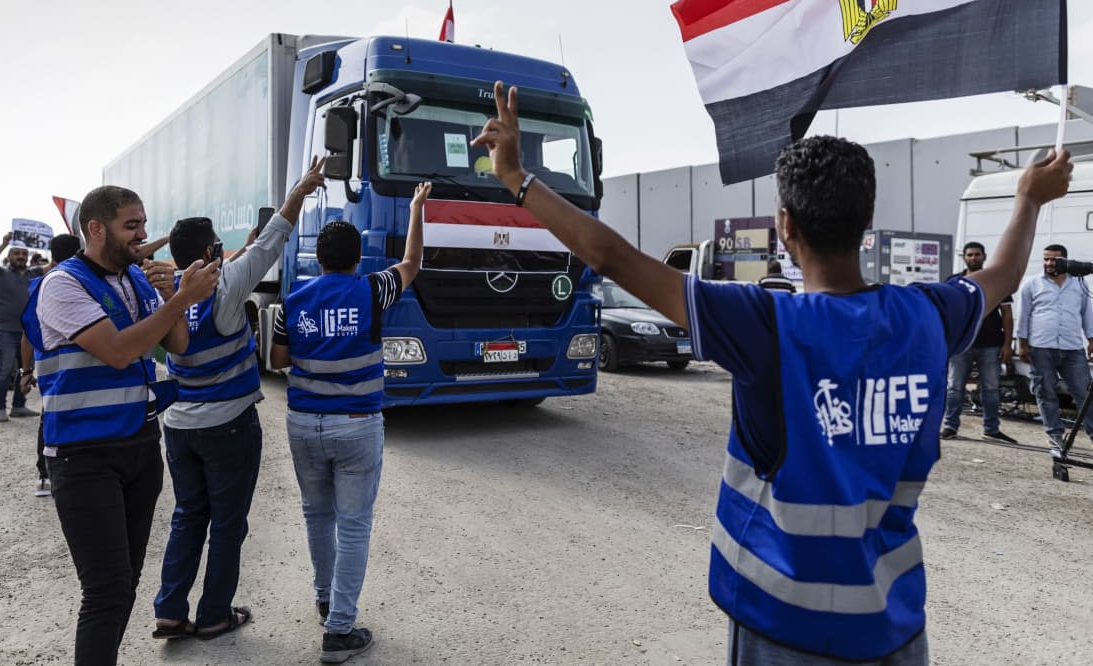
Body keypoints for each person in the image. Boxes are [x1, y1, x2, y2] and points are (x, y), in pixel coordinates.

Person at [470, 81, 1070, 665]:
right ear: (866, 224)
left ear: (786, 226)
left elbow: (611, 257)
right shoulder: (927, 316)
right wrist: (1028, 199)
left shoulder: (765, 324)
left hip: (781, 621)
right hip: (893, 623)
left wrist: (517, 179)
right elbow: (1004, 276)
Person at [20, 186, 219, 666]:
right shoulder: (62, 285)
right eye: (131, 225)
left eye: (143, 223)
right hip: (84, 456)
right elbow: (119, 351)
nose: (143, 235)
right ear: (95, 228)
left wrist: (173, 295)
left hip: (139, 447)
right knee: (106, 590)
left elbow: (179, 345)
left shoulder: (133, 279)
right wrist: (180, 300)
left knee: (124, 582)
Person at [148, 158, 325, 642]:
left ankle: (169, 610)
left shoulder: (166, 292)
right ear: (211, 250)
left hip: (179, 427)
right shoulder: (227, 287)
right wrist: (301, 189)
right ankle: (214, 615)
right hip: (227, 427)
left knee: (188, 516)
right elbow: (274, 240)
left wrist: (241, 247)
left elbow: (251, 249)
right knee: (227, 524)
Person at [269, 181, 431, 664]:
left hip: (304, 424)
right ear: (358, 259)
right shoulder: (372, 287)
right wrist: (417, 208)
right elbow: (412, 263)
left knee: (317, 517)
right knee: (354, 525)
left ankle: (325, 600)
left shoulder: (293, 301)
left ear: (318, 259)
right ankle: (340, 629)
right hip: (358, 426)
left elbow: (278, 360)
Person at [18, 233, 82, 497]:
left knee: (50, 419)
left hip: (51, 372)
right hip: (82, 369)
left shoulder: (41, 285)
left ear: (52, 256)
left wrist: (26, 372)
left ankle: (44, 476)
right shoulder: (87, 283)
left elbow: (27, 334)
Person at [1015, 243, 1093, 450]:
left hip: (1072, 347)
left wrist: (1092, 340)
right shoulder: (1031, 283)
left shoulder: (1078, 283)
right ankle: (1055, 435)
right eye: (1046, 259)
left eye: (1054, 259)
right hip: (1041, 348)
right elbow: (1023, 316)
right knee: (1045, 392)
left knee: (1085, 394)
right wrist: (1022, 344)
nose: (1049, 263)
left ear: (1065, 261)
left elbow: (1087, 313)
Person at [940, 242, 1017, 444]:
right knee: (954, 387)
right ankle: (949, 427)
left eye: (977, 255)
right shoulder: (954, 282)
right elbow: (946, 313)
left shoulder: (995, 281)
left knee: (991, 388)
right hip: (961, 344)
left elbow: (1007, 315)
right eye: (970, 255)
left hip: (991, 344)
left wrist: (1007, 344)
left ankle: (991, 430)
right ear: (964, 257)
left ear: (984, 256)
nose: (974, 258)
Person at [0, 232, 42, 421]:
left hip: (28, 332)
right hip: (6, 331)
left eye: (24, 254)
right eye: (16, 253)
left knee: (24, 370)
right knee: (4, 370)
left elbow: (55, 265)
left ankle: (18, 406)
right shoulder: (0, 274)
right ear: (9, 256)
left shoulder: (34, 273)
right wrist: (3, 244)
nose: (21, 257)